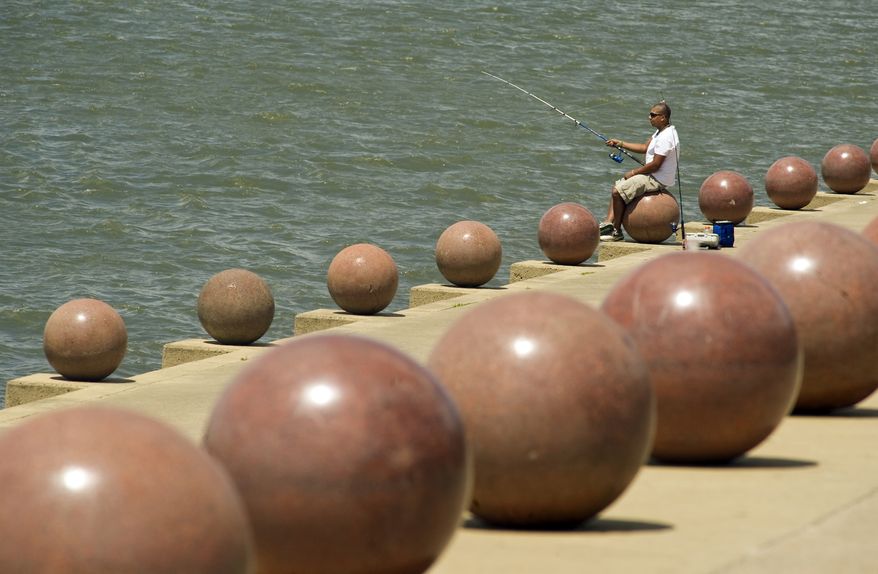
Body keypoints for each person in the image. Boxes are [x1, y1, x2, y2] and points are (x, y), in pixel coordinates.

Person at [599, 101, 679, 241]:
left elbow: (655, 165)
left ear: (663, 117)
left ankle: (617, 232)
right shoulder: (660, 132)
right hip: (652, 174)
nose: (649, 117)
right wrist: (620, 143)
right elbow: (644, 148)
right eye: (650, 114)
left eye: (653, 115)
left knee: (618, 192)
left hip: (657, 178)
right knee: (617, 186)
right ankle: (608, 224)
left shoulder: (666, 137)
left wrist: (634, 172)